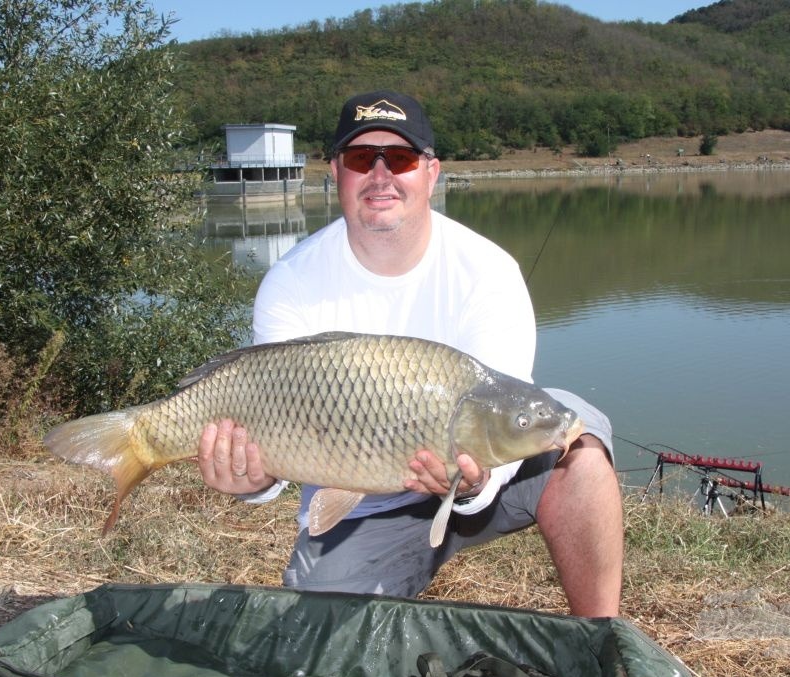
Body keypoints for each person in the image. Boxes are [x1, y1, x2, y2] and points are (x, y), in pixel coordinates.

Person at [197, 90, 623, 617]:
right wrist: (253, 482)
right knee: (317, 637)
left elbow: (502, 408)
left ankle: (603, 639)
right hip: (357, 505)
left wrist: (474, 483)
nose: (380, 175)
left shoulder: (487, 272)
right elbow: (277, 436)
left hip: (480, 481)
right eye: (360, 159)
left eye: (398, 158)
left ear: (431, 171)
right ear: (335, 172)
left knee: (576, 440)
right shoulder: (291, 283)